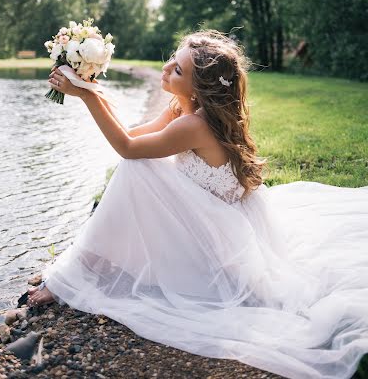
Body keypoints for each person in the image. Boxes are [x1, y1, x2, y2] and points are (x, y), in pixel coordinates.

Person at [28, 30, 368, 379]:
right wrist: (91, 88)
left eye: (177, 70)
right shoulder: (183, 108)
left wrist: (86, 97)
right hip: (210, 221)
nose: (166, 67)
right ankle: (87, 262)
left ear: (198, 88)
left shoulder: (195, 124)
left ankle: (82, 267)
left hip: (219, 248)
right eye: (173, 59)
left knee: (135, 169)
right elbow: (134, 134)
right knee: (139, 167)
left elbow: (128, 148)